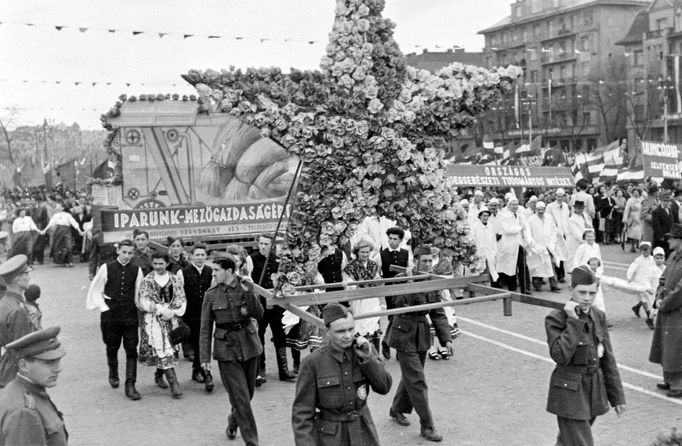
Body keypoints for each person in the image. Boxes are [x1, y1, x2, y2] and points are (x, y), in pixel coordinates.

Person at [545, 265, 626, 445]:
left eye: (592, 293)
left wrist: (617, 397)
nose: (587, 299)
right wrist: (574, 321)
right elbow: (560, 355)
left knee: (568, 442)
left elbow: (608, 359)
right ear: (571, 289)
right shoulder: (556, 318)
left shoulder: (598, 316)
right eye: (582, 292)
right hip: (569, 395)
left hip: (593, 392)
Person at [291, 303, 392, 446]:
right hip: (331, 437)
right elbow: (302, 414)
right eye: (340, 331)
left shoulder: (364, 351)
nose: (348, 336)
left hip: (363, 433)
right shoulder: (313, 362)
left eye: (351, 329)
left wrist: (368, 358)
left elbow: (384, 387)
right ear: (327, 331)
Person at [385, 246, 452, 442]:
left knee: (412, 376)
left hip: (421, 332)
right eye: (425, 262)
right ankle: (427, 426)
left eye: (431, 261)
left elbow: (437, 312)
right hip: (403, 331)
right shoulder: (404, 278)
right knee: (417, 380)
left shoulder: (433, 281)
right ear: (415, 261)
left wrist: (445, 338)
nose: (429, 265)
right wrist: (411, 283)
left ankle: (396, 408)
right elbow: (397, 304)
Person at [200, 257, 264, 445]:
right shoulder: (210, 294)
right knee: (241, 398)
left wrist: (250, 293)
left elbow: (258, 314)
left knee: (248, 394)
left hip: (249, 345)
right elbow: (205, 327)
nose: (213, 274)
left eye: (216, 271)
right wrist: (204, 358)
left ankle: (233, 420)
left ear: (229, 271)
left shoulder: (245, 286)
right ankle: (252, 441)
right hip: (226, 349)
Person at [86, 239, 143, 400]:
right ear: (118, 251)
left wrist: (143, 308)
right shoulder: (106, 268)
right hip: (111, 315)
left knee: (132, 349)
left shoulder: (137, 270)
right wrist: (104, 307)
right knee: (112, 346)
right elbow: (96, 290)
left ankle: (130, 384)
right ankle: (113, 371)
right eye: (124, 252)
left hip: (130, 315)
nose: (127, 256)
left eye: (130, 253)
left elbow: (139, 293)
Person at [0, 326, 68, 446]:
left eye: (58, 361)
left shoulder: (20, 389)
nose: (58, 369)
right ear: (24, 365)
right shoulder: (24, 412)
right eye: (49, 363)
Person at [136, 252, 187, 398]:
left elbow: (181, 298)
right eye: (155, 264)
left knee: (168, 348)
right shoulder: (147, 280)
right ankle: (174, 385)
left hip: (171, 318)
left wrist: (173, 312)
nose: (158, 267)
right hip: (154, 319)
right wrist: (159, 310)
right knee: (162, 347)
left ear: (167, 263)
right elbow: (144, 301)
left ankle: (159, 374)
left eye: (161, 263)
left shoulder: (174, 279)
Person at [250, 234, 295, 384]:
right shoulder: (251, 259)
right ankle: (260, 369)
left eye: (266, 244)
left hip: (276, 304)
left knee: (279, 335)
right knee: (259, 335)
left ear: (272, 245)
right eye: (261, 243)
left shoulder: (278, 259)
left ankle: (284, 369)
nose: (263, 246)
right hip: (260, 304)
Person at [649, 223, 682, 398]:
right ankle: (669, 379)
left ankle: (678, 383)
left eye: (671, 238)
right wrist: (659, 296)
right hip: (667, 307)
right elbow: (663, 279)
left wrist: (665, 302)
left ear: (679, 240)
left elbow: (680, 290)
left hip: (677, 310)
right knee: (665, 345)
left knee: (676, 347)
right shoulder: (673, 256)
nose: (668, 240)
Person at [177, 243, 214, 391]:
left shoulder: (210, 271)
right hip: (189, 314)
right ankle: (198, 370)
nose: (200, 258)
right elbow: (179, 295)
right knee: (194, 342)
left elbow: (212, 292)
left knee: (202, 343)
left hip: (205, 314)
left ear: (206, 256)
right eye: (197, 255)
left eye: (202, 255)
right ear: (192, 256)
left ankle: (202, 371)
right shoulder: (183, 272)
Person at [0, 255, 36, 387]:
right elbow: (23, 350)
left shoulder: (4, 303)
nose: (29, 278)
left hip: (7, 366)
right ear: (18, 279)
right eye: (26, 274)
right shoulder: (17, 310)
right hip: (16, 372)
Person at [378, 226, 411, 359]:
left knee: (402, 317)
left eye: (395, 239)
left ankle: (393, 344)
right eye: (390, 238)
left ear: (401, 240)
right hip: (390, 290)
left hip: (403, 289)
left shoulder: (406, 253)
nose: (392, 241)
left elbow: (409, 269)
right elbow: (377, 273)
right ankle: (390, 343)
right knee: (393, 317)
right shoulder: (382, 254)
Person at [343, 239, 382, 354]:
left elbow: (377, 278)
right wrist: (356, 286)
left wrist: (377, 280)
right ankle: (359, 352)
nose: (365, 254)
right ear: (357, 252)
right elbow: (348, 284)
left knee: (373, 323)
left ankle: (374, 354)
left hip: (372, 298)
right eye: (362, 252)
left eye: (367, 252)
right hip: (359, 300)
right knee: (360, 325)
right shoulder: (351, 266)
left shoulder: (373, 264)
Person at [496, 193, 533, 294]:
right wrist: (519, 228)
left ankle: (525, 289)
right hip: (509, 245)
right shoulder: (504, 215)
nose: (515, 206)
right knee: (510, 267)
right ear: (509, 205)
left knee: (523, 267)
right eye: (513, 204)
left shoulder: (520, 215)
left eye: (517, 204)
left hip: (519, 244)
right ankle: (512, 289)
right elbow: (507, 230)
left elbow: (526, 228)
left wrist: (529, 240)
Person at [527, 201, 560, 292]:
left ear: (545, 209)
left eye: (542, 209)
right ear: (536, 210)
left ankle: (554, 285)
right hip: (536, 247)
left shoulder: (549, 218)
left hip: (548, 245)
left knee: (550, 265)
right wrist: (533, 244)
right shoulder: (531, 219)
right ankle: (537, 285)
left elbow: (554, 229)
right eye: (538, 210)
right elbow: (528, 233)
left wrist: (552, 242)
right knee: (538, 266)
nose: (541, 211)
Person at [40, 202, 82, 267]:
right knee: (59, 246)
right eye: (57, 206)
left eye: (59, 206)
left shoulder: (67, 215)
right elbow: (51, 223)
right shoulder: (55, 215)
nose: (57, 207)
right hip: (58, 231)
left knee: (69, 246)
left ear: (63, 208)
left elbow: (74, 222)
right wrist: (44, 230)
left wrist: (79, 230)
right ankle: (62, 261)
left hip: (67, 231)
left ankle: (69, 261)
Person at [470, 207, 499, 285]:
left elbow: (493, 240)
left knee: (488, 272)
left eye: (487, 216)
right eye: (484, 216)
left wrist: (494, 252)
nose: (486, 218)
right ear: (480, 216)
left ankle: (488, 291)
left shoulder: (491, 226)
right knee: (476, 273)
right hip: (478, 253)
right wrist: (475, 252)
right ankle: (473, 291)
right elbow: (472, 239)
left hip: (489, 253)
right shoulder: (475, 226)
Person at [546, 188, 570, 283]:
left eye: (561, 196)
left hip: (564, 233)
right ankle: (558, 275)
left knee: (563, 254)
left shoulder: (566, 206)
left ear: (564, 197)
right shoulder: (550, 206)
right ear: (555, 197)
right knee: (556, 254)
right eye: (558, 196)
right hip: (555, 234)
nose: (560, 198)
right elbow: (548, 220)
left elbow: (567, 220)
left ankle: (561, 275)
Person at [566, 201, 592, 271]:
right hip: (575, 244)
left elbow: (589, 226)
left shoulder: (584, 215)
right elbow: (577, 234)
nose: (580, 210)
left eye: (581, 208)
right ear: (575, 209)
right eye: (578, 208)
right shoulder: (572, 220)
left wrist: (590, 231)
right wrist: (587, 240)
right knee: (574, 262)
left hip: (584, 242)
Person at [652, 192, 677, 258]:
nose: (666, 203)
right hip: (661, 237)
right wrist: (660, 236)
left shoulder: (670, 209)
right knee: (659, 254)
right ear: (661, 201)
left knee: (668, 254)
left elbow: (672, 222)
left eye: (668, 201)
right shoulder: (657, 211)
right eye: (664, 201)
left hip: (669, 235)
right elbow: (656, 225)